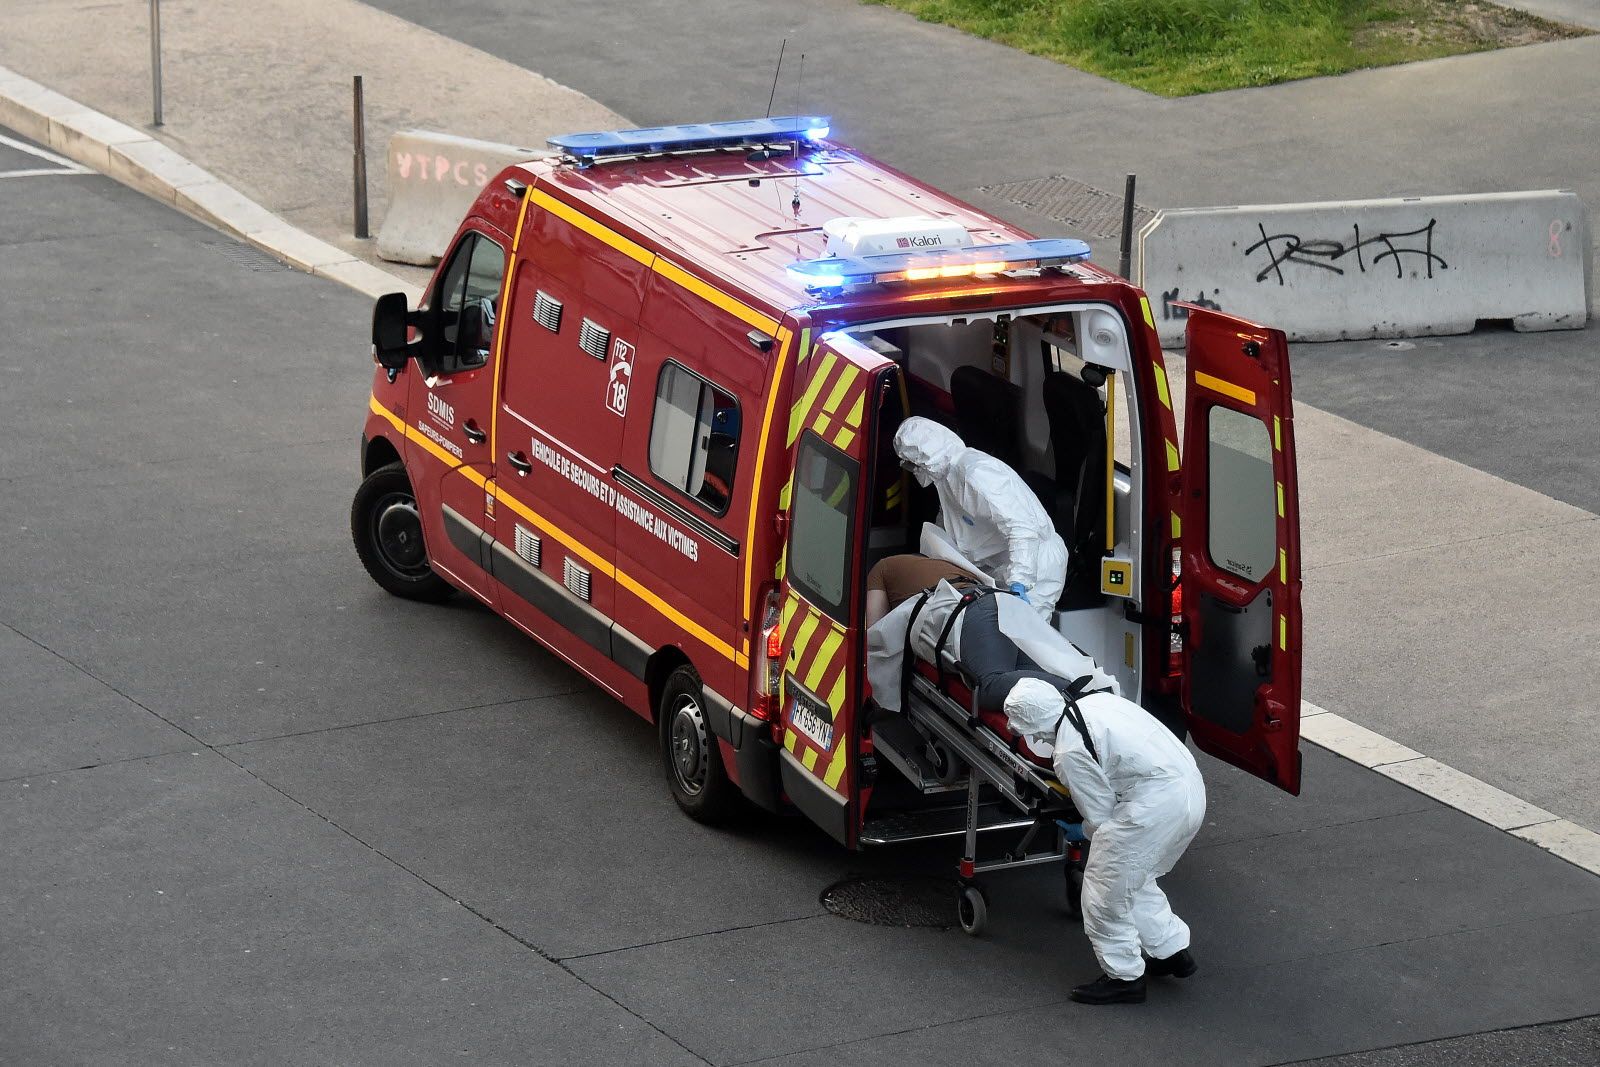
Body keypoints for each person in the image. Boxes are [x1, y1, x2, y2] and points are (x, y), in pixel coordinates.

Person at [1003, 678, 1206, 1005]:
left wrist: (1075, 829)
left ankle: (1124, 977)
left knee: (1103, 890)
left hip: (1153, 809)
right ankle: (1170, 952)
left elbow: (1099, 818)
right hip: (1189, 790)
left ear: (1032, 724)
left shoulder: (1068, 750)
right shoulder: (1093, 703)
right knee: (1132, 877)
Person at [893, 417, 1067, 619]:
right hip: (1001, 568)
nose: (913, 470)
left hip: (1035, 567)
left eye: (912, 463)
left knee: (1024, 638)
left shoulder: (975, 473)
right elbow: (950, 526)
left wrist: (1019, 581)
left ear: (926, 455)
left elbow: (1021, 528)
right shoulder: (946, 479)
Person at [864, 553, 980, 628]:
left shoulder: (880, 570)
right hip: (983, 594)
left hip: (955, 612)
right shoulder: (951, 564)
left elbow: (873, 634)